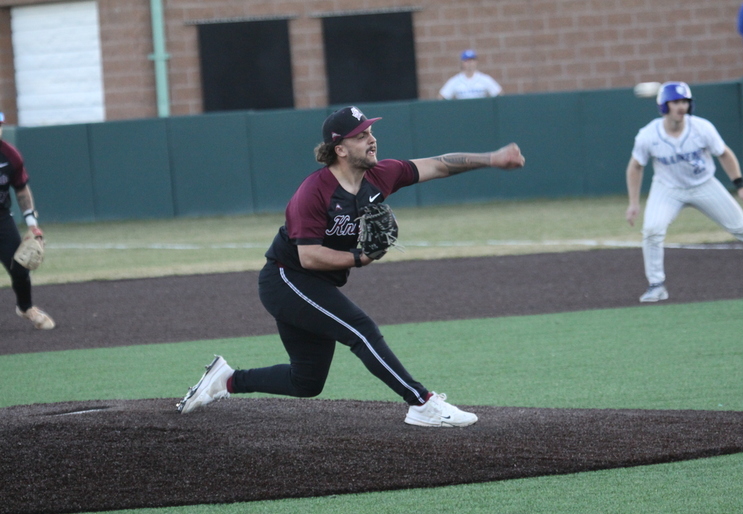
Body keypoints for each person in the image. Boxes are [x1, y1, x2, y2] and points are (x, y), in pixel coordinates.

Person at [178, 106, 525, 426]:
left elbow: (439, 164)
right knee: (360, 330)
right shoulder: (314, 192)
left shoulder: (381, 175)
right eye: (361, 136)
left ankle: (227, 380)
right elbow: (309, 256)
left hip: (315, 284)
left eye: (370, 132)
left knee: (306, 381)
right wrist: (361, 258)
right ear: (340, 149)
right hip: (287, 280)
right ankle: (422, 403)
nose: (371, 139)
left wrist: (492, 159)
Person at [625, 81, 743, 303]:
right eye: (675, 102)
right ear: (664, 106)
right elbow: (635, 166)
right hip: (668, 189)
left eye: (685, 102)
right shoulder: (648, 135)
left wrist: (741, 186)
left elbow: (724, 154)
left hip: (704, 185)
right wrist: (633, 203)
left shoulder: (702, 128)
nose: (681, 106)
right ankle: (656, 285)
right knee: (652, 230)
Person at [0, 112, 55, 329]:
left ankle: (26, 307)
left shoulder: (10, 155)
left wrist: (32, 224)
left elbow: (21, 189)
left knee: (20, 268)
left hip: (1, 218)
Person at [438, 49, 503, 100]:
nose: (469, 63)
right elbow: (442, 97)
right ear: (462, 62)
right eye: (466, 60)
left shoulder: (484, 79)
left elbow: (499, 94)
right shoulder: (455, 80)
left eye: (472, 60)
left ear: (476, 62)